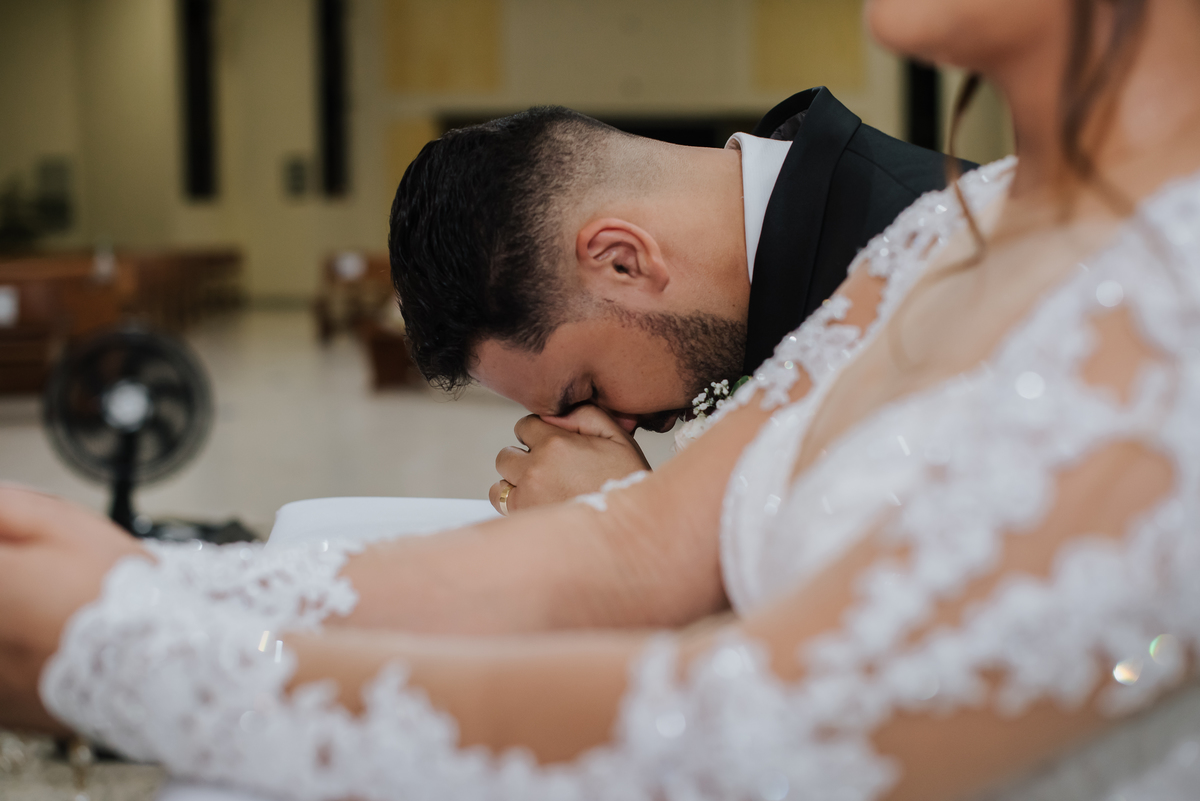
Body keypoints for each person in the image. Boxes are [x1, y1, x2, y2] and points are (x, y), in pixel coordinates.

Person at [3, 0, 1200, 800]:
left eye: (578, 389)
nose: (600, 427)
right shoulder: (945, 231)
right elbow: (630, 550)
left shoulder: (1176, 293)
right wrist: (144, 576)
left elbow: (782, 728)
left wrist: (132, 656)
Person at [389, 87, 968, 514]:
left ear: (623, 261)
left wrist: (635, 533)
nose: (611, 430)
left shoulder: (950, 254)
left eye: (588, 392)